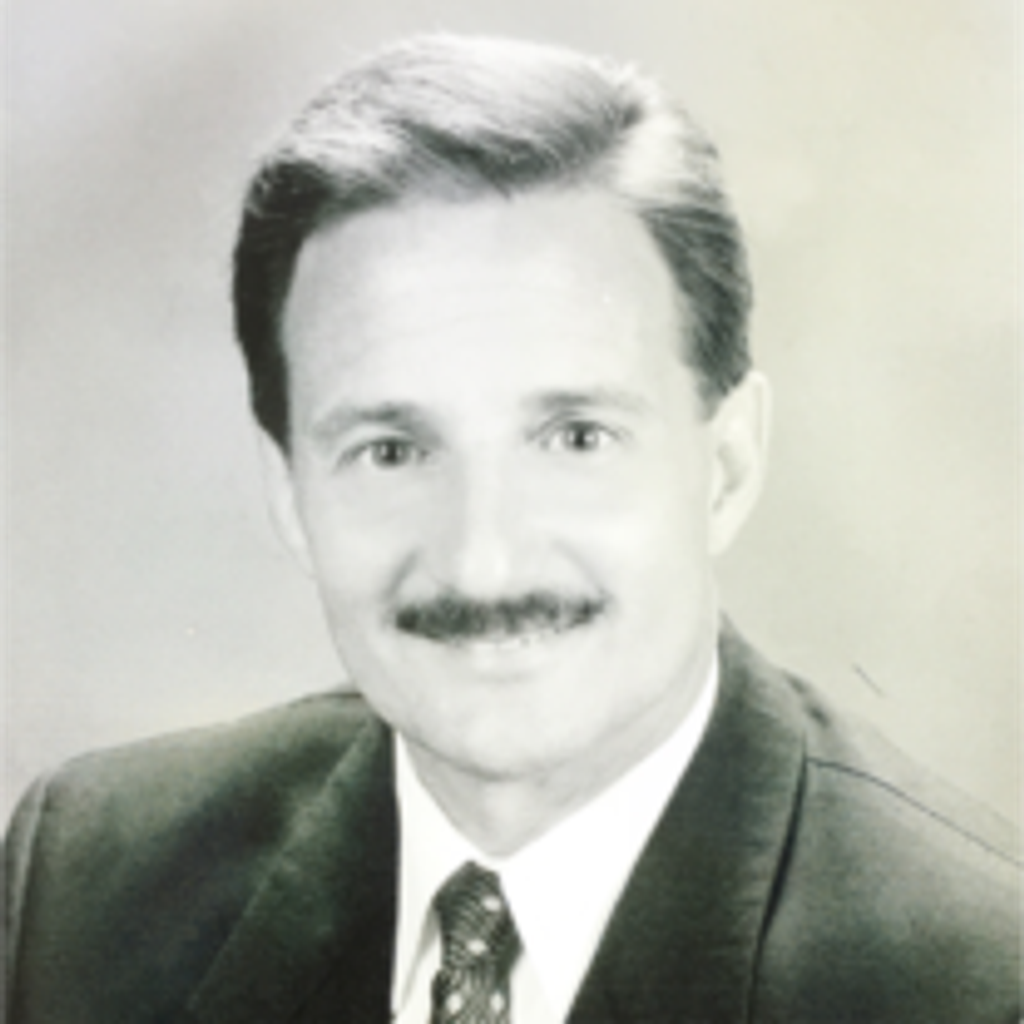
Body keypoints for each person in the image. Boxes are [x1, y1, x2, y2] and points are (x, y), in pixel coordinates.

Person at [1, 33, 1020, 1024]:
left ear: (725, 466)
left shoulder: (977, 979)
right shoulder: (84, 886)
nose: (481, 561)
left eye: (575, 438)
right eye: (391, 451)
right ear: (289, 493)